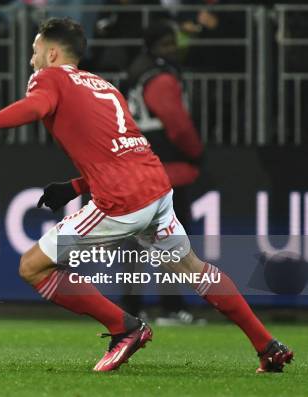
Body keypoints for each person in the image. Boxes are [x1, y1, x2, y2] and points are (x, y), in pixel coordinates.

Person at [0, 17, 293, 373]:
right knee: (193, 268)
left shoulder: (49, 78)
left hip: (122, 201)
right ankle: (267, 345)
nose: (32, 60)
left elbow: (35, 107)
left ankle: (125, 327)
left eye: (34, 52)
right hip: (156, 187)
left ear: (52, 52)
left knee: (33, 267)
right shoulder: (104, 86)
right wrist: (75, 187)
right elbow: (122, 150)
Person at [123, 20, 204, 325]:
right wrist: (197, 152)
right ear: (156, 46)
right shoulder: (160, 78)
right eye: (168, 44)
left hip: (135, 171)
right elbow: (178, 124)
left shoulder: (136, 72)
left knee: (136, 243)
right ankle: (170, 307)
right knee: (171, 243)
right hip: (165, 172)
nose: (174, 50)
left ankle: (132, 308)